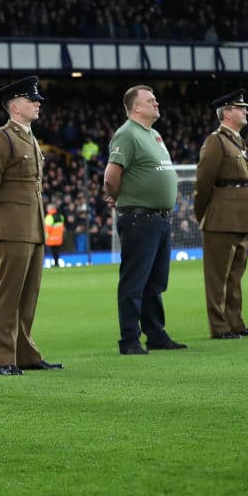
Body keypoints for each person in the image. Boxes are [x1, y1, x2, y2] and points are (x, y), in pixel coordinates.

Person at [0, 76, 63, 376]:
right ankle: (5, 358)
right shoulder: (3, 138)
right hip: (13, 227)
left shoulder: (28, 136)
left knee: (29, 295)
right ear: (15, 107)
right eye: (32, 100)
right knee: (9, 295)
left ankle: (26, 354)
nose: (38, 103)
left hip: (33, 226)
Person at [103, 85, 188, 355]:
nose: (156, 103)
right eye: (150, 100)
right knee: (135, 281)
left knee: (155, 282)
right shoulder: (127, 134)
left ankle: (156, 334)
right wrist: (119, 199)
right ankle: (129, 340)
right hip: (139, 218)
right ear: (136, 107)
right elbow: (111, 176)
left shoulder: (154, 135)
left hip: (159, 219)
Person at [194, 90, 248, 339]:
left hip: (241, 216)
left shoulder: (237, 141)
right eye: (240, 107)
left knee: (235, 275)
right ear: (227, 112)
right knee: (217, 277)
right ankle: (219, 327)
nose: (245, 111)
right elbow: (203, 183)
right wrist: (204, 214)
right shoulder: (216, 141)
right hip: (221, 218)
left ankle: (236, 323)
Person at [43, 202, 65, 267]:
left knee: (52, 251)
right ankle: (56, 263)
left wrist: (45, 238)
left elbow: (47, 229)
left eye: (48, 208)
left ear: (51, 208)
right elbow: (61, 227)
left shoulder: (49, 217)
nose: (47, 209)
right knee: (56, 251)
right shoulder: (61, 216)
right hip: (58, 237)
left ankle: (55, 263)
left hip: (51, 238)